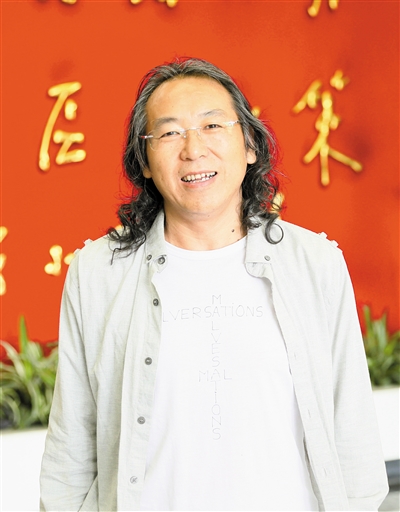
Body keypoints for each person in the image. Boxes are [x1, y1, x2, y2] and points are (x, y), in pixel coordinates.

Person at [40, 57, 388, 511]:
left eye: (212, 126)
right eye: (169, 133)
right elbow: (70, 451)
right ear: (145, 162)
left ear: (249, 145)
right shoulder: (98, 273)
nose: (193, 149)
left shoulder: (314, 263)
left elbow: (355, 439)